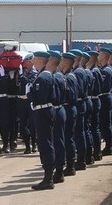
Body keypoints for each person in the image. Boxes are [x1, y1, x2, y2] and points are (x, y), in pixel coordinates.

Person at [28, 51, 56, 190]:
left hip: (43, 111)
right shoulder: (46, 75)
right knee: (46, 143)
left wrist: (29, 93)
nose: (32, 61)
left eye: (34, 59)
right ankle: (48, 176)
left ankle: (48, 178)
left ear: (39, 60)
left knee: (45, 144)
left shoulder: (42, 78)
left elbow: (40, 97)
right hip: (45, 110)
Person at [47, 50, 66, 183]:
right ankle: (58, 169)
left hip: (57, 110)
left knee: (58, 141)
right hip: (59, 109)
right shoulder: (58, 75)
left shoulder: (55, 77)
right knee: (58, 140)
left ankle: (59, 171)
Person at [59, 52, 79, 177]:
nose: (59, 63)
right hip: (68, 108)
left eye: (61, 61)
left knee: (68, 138)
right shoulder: (67, 75)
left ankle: (70, 165)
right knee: (67, 137)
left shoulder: (69, 77)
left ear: (66, 62)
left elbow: (69, 96)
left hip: (68, 108)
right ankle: (69, 163)